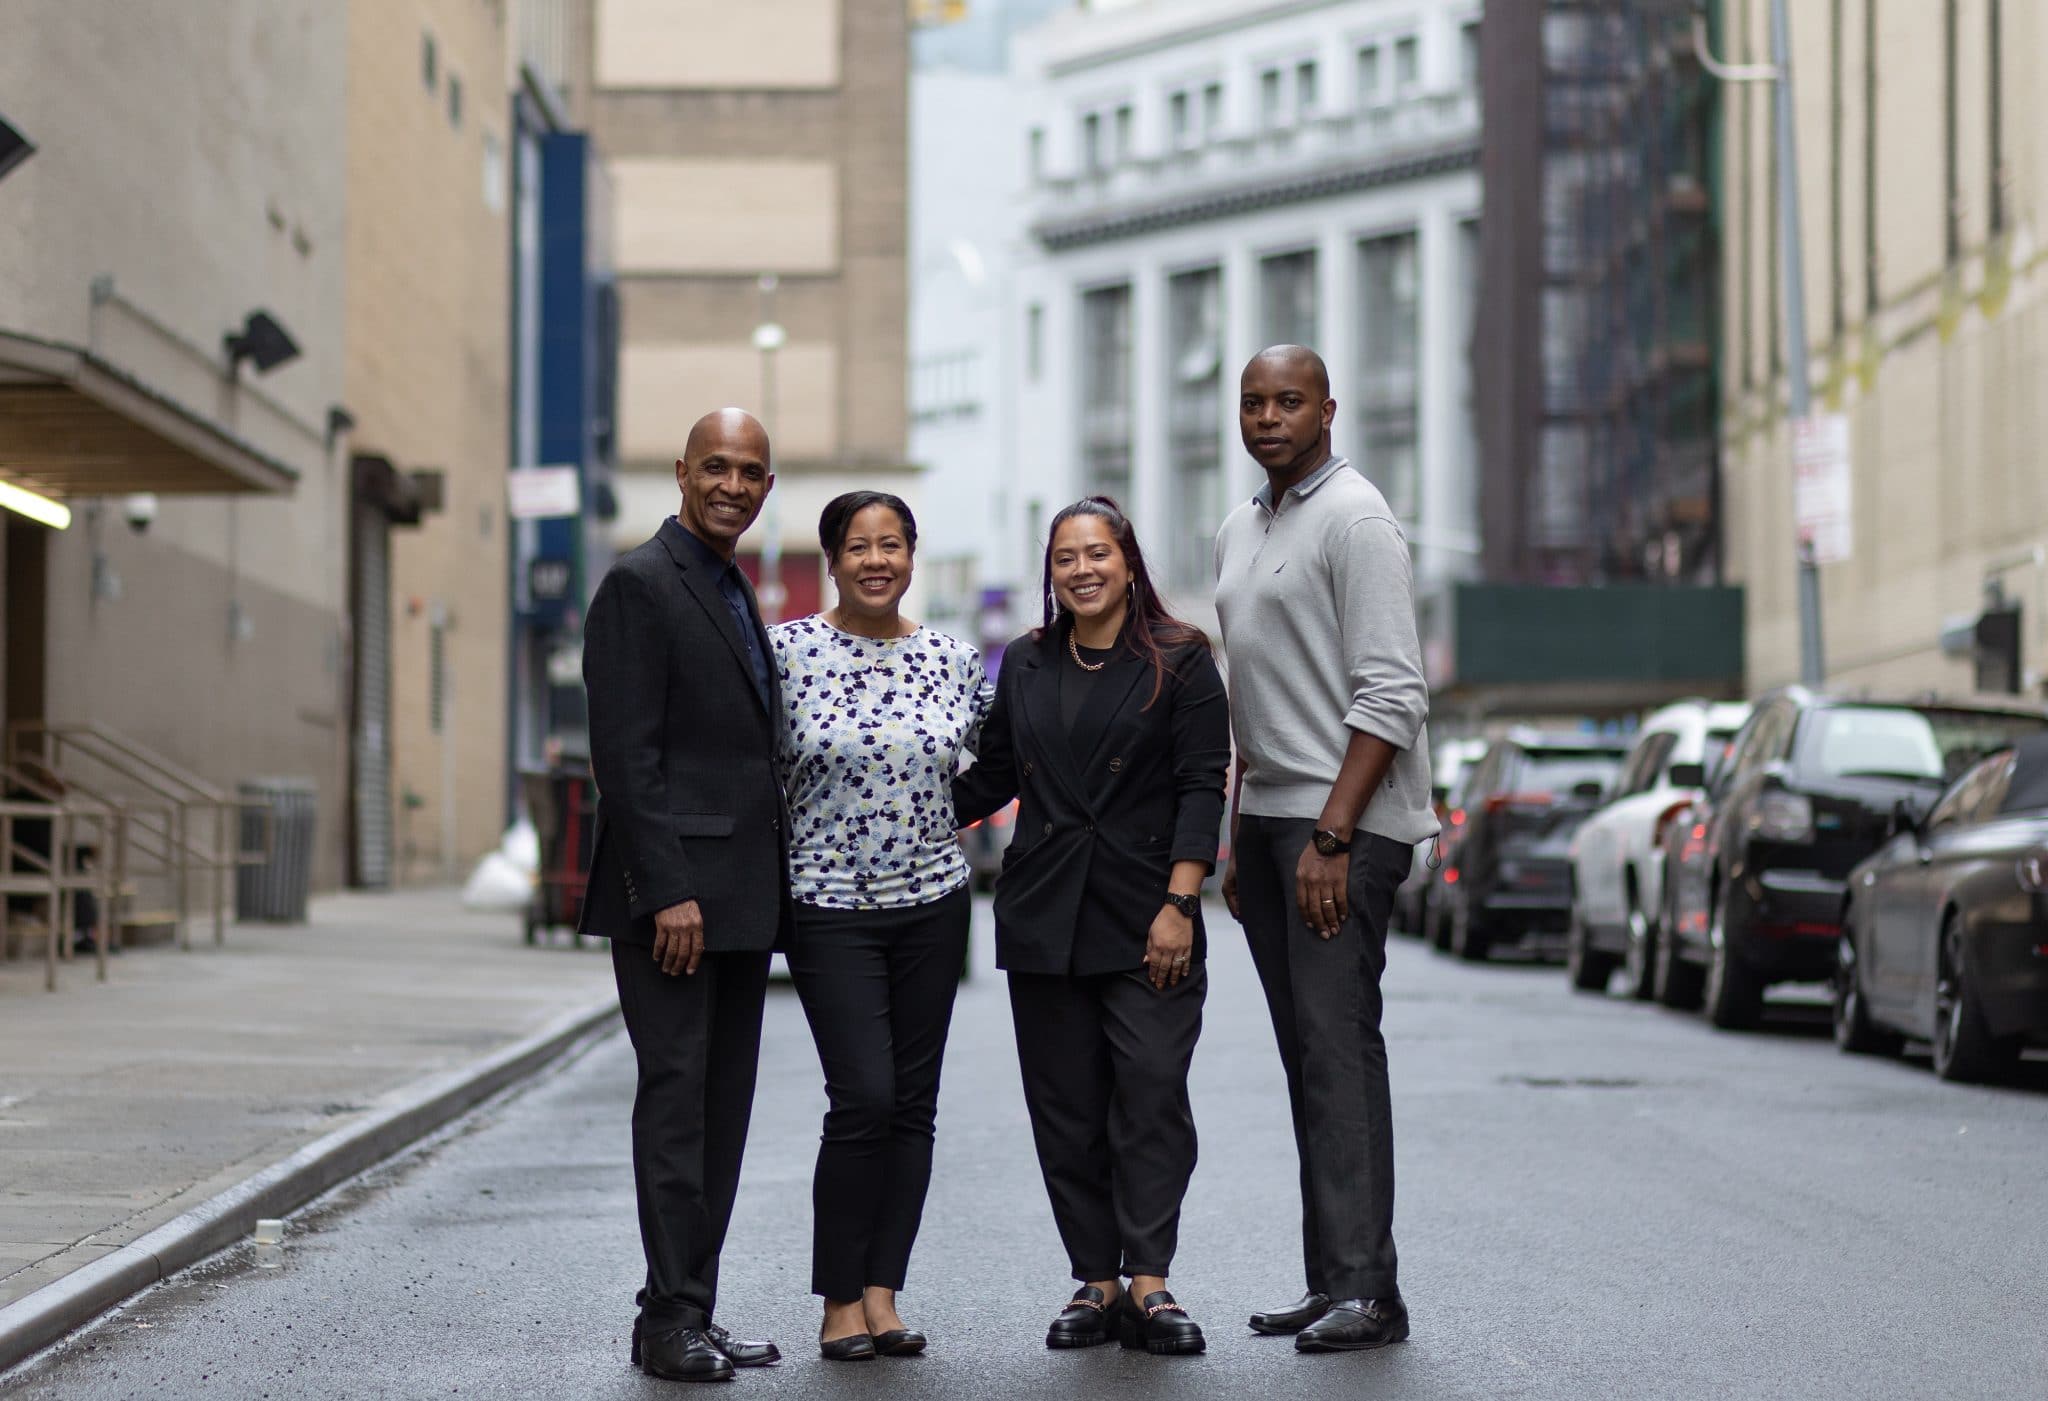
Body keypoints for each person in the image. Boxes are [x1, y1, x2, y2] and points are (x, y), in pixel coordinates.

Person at [954, 496, 1229, 1357]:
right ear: (1051, 571)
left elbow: (1200, 782)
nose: (1081, 569)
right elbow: (991, 772)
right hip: (1044, 911)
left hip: (1150, 911)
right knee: (1065, 1106)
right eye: (1065, 556)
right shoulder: (1028, 660)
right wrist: (892, 800)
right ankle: (1094, 1278)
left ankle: (1149, 1281)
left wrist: (1182, 903)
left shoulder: (1181, 659)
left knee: (1150, 1092)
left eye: (1097, 553)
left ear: (1128, 560)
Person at [1214, 346, 1437, 1354]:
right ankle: (1329, 1274)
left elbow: (1392, 692)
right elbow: (1251, 699)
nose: (1268, 417)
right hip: (1267, 821)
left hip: (1337, 826)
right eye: (1254, 402)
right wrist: (1236, 824)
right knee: (1308, 1055)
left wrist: (1331, 834)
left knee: (1338, 1051)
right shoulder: (1241, 524)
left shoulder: (1356, 520)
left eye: (1288, 401)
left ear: (1327, 411)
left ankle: (1367, 1289)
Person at [578, 408, 790, 1384]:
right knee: (676, 1110)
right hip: (673, 906)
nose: (733, 486)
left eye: (750, 471)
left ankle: (688, 1307)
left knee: (722, 1111)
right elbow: (625, 756)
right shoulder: (638, 583)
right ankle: (667, 1321)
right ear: (679, 472)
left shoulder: (731, 586)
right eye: (717, 467)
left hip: (740, 902)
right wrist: (664, 888)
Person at [768, 491, 991, 1362]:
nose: (875, 560)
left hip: (933, 904)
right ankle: (835, 1299)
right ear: (831, 558)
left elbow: (1000, 755)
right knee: (861, 1097)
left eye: (891, 544)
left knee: (913, 1107)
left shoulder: (953, 659)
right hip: (828, 907)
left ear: (911, 556)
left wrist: (944, 813)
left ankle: (882, 1294)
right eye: (857, 546)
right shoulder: (789, 653)